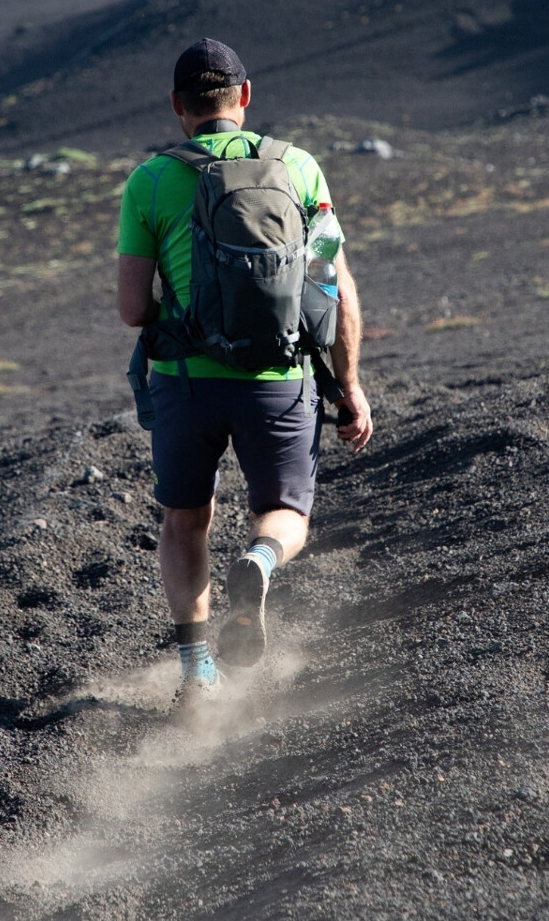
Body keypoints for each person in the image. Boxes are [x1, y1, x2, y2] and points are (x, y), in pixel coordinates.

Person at [115, 38, 374, 709]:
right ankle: (258, 561)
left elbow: (132, 307)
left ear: (177, 106)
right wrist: (348, 386)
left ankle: (197, 667)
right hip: (279, 376)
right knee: (285, 512)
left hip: (185, 381)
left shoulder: (149, 181)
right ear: (246, 97)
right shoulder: (301, 169)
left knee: (184, 520)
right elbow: (333, 284)